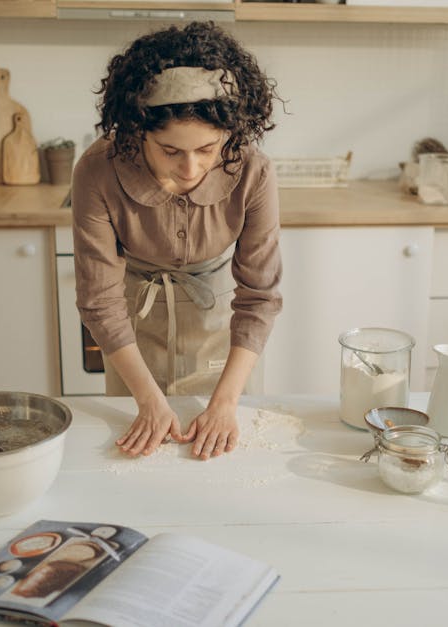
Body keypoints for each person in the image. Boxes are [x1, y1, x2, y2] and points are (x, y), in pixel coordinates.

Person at [71, 22, 283, 461]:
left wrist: (225, 403)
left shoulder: (253, 171)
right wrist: (147, 400)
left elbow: (260, 296)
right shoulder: (98, 170)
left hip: (222, 340)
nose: (190, 169)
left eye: (207, 149)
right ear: (137, 131)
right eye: (170, 150)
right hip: (132, 339)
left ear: (231, 134)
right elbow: (99, 300)